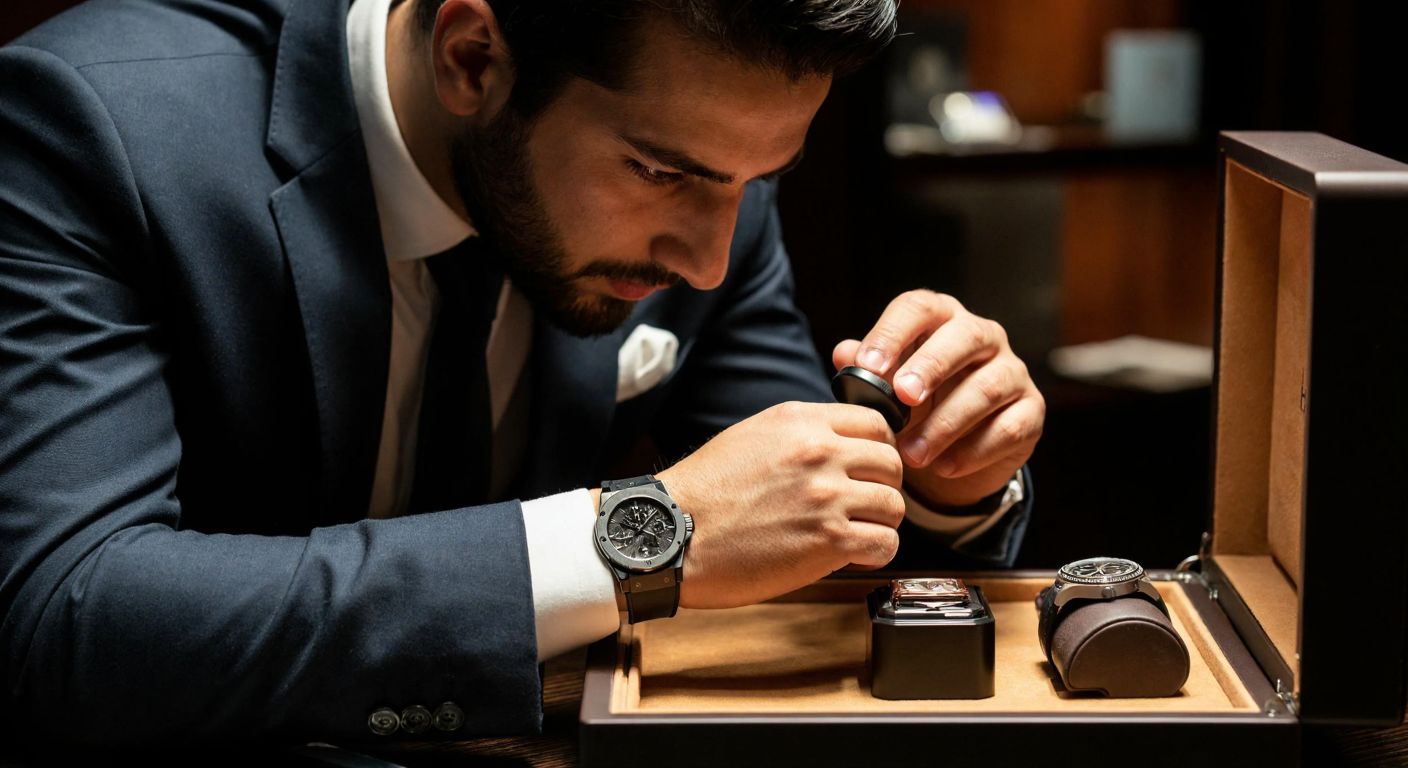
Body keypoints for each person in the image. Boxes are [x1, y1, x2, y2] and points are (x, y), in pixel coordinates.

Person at [0, 0, 1045, 745]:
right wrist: (636, 538)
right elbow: (68, 617)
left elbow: (789, 544)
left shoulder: (706, 156)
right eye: (659, 172)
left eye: (759, 180)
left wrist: (941, 475)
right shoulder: (92, 128)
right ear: (470, 55)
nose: (709, 258)